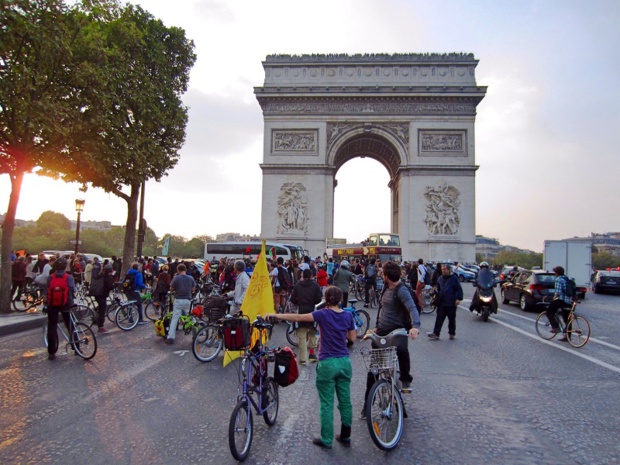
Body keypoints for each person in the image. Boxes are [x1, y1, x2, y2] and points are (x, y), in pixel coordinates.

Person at [266, 286, 356, 449]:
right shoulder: (348, 316)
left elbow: (298, 316)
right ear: (341, 300)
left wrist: (274, 314)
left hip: (327, 362)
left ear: (326, 299)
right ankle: (346, 435)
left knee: (327, 403)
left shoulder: (322, 314)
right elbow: (353, 338)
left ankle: (327, 439)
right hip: (344, 361)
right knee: (345, 401)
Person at [362, 261, 420, 417]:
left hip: (397, 330)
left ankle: (405, 378)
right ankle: (367, 404)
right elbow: (381, 309)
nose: (381, 274)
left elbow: (412, 308)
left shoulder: (402, 291)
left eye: (382, 273)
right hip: (381, 330)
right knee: (373, 369)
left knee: (402, 349)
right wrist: (376, 326)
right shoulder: (385, 288)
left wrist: (415, 326)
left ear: (387, 276)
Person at [290, 268, 323, 365]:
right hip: (312, 312)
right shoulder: (315, 286)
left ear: (303, 275)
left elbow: (293, 299)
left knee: (302, 335)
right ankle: (312, 354)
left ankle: (303, 358)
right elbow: (318, 299)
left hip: (301, 312)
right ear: (312, 276)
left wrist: (300, 302)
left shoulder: (297, 286)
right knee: (312, 333)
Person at [45, 258, 76, 360]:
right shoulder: (69, 277)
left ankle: (51, 352)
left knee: (52, 327)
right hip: (66, 304)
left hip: (53, 305)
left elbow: (47, 289)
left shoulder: (51, 277)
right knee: (70, 325)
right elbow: (72, 289)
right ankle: (76, 347)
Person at [428, 264, 463, 340]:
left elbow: (458, 289)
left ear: (449, 270)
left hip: (451, 303)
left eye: (445, 269)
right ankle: (436, 333)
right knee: (439, 319)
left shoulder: (454, 279)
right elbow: (437, 290)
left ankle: (451, 333)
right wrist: (434, 300)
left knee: (451, 320)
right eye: (442, 269)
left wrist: (458, 298)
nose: (443, 271)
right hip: (441, 303)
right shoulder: (440, 279)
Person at [166, 264, 196, 345]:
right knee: (191, 317)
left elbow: (171, 288)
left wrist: (175, 289)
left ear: (178, 270)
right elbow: (193, 290)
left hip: (178, 300)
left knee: (175, 318)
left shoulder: (176, 278)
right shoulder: (191, 278)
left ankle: (170, 337)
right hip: (188, 300)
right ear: (185, 270)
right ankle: (196, 333)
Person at [545, 266, 574, 342]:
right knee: (567, 319)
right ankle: (567, 337)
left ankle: (555, 328)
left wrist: (553, 298)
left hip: (561, 300)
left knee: (549, 312)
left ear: (557, 273)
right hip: (569, 301)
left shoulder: (558, 280)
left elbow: (558, 292)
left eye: (555, 272)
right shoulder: (567, 278)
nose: (555, 274)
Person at [91, 264, 115, 334]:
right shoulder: (108, 277)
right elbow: (110, 286)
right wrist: (114, 285)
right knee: (102, 311)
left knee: (100, 309)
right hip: (102, 294)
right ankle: (100, 327)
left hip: (97, 294)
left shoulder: (100, 275)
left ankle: (96, 320)